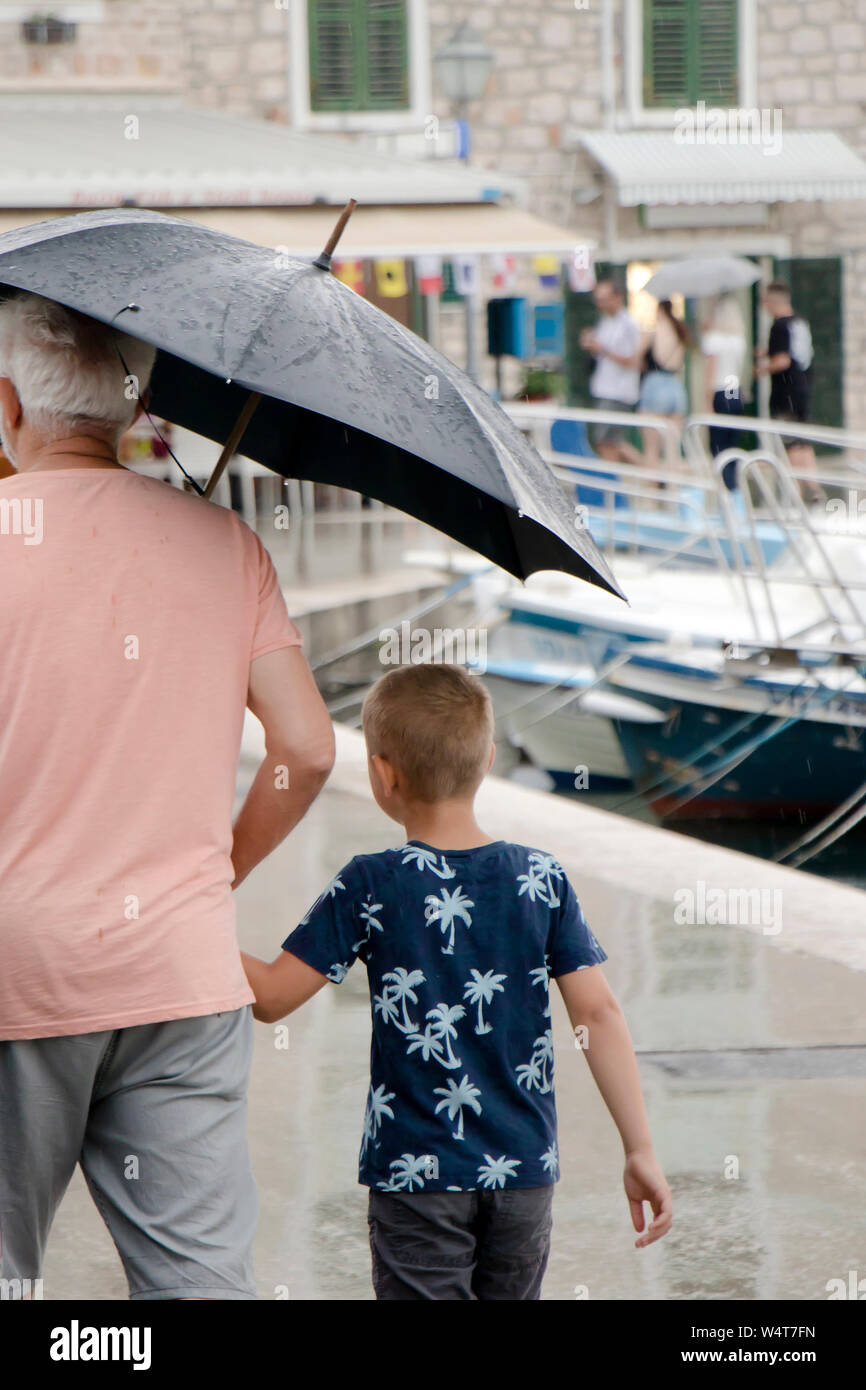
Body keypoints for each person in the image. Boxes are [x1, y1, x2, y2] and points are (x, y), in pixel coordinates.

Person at [0, 291, 335, 1300]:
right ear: (134, 409)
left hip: (20, 971)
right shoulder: (225, 545)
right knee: (199, 1286)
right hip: (180, 972)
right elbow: (308, 749)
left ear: (8, 405)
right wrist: (212, 869)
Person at [242, 663, 673, 1301]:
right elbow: (599, 1015)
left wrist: (187, 927)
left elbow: (273, 997)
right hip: (524, 1175)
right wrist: (639, 1148)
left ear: (383, 774)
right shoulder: (541, 878)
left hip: (417, 1178)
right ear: (489, 759)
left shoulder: (373, 882)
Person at [755, 281, 820, 502]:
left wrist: (760, 369)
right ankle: (815, 489)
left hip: (786, 393)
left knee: (790, 445)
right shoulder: (799, 322)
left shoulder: (779, 326)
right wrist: (767, 353)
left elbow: (782, 360)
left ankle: (796, 494)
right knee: (803, 442)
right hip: (802, 389)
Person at [579, 279, 644, 468]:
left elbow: (632, 361)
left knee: (609, 442)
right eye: (598, 300)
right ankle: (648, 474)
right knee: (608, 442)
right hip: (604, 388)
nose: (601, 304)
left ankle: (649, 474)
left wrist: (602, 349)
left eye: (605, 299)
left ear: (617, 298)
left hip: (618, 391)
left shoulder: (628, 325)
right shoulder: (605, 322)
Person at [701, 293, 748, 490]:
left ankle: (726, 486)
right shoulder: (738, 340)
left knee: (718, 445)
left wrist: (707, 401)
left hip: (720, 391)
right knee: (732, 442)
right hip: (733, 389)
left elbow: (711, 370)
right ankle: (734, 485)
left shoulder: (713, 339)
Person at [638, 299, 690, 473]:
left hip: (655, 385)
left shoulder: (653, 332)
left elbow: (636, 357)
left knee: (651, 451)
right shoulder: (680, 331)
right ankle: (673, 495)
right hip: (676, 386)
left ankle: (651, 497)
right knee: (672, 450)